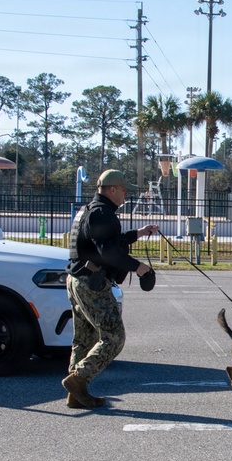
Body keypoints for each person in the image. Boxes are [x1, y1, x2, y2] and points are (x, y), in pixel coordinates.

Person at [62, 169, 159, 409]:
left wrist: (138, 233)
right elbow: (109, 252)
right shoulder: (103, 213)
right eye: (124, 190)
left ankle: (77, 395)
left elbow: (104, 242)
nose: (126, 195)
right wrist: (139, 268)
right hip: (92, 283)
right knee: (114, 337)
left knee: (84, 339)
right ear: (112, 189)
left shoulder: (89, 211)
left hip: (77, 279)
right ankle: (78, 379)